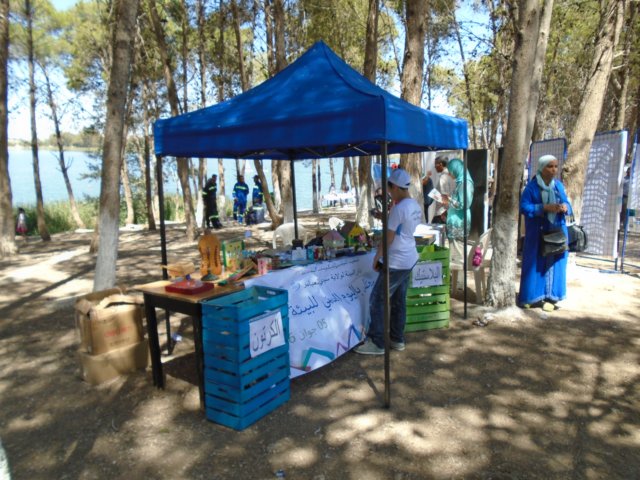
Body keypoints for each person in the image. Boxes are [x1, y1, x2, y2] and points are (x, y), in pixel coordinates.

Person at [355, 168, 422, 355]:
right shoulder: (414, 205)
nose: (389, 193)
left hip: (396, 261)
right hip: (409, 258)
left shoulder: (398, 208)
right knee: (398, 300)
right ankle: (397, 338)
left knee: (378, 299)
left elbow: (388, 237)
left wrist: (378, 257)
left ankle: (377, 342)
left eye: (390, 189)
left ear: (396, 187)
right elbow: (401, 225)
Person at [519, 154, 572, 312]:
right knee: (534, 264)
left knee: (554, 264)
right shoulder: (532, 188)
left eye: (555, 166)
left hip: (556, 231)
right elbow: (524, 207)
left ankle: (551, 297)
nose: (553, 170)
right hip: (537, 233)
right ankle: (531, 297)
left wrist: (565, 207)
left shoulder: (558, 186)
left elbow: (567, 202)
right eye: (550, 166)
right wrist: (543, 208)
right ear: (542, 168)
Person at [442, 158, 474, 263]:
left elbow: (463, 204)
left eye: (450, 171)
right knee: (455, 256)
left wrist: (449, 200)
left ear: (456, 169)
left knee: (457, 258)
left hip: (459, 224)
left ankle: (458, 274)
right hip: (456, 222)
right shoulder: (461, 181)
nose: (449, 174)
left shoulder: (465, 183)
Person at [432, 156, 455, 224]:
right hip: (449, 212)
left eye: (435, 164)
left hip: (442, 214)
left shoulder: (443, 178)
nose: (434, 167)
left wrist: (434, 195)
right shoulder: (451, 176)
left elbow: (445, 199)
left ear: (441, 164)